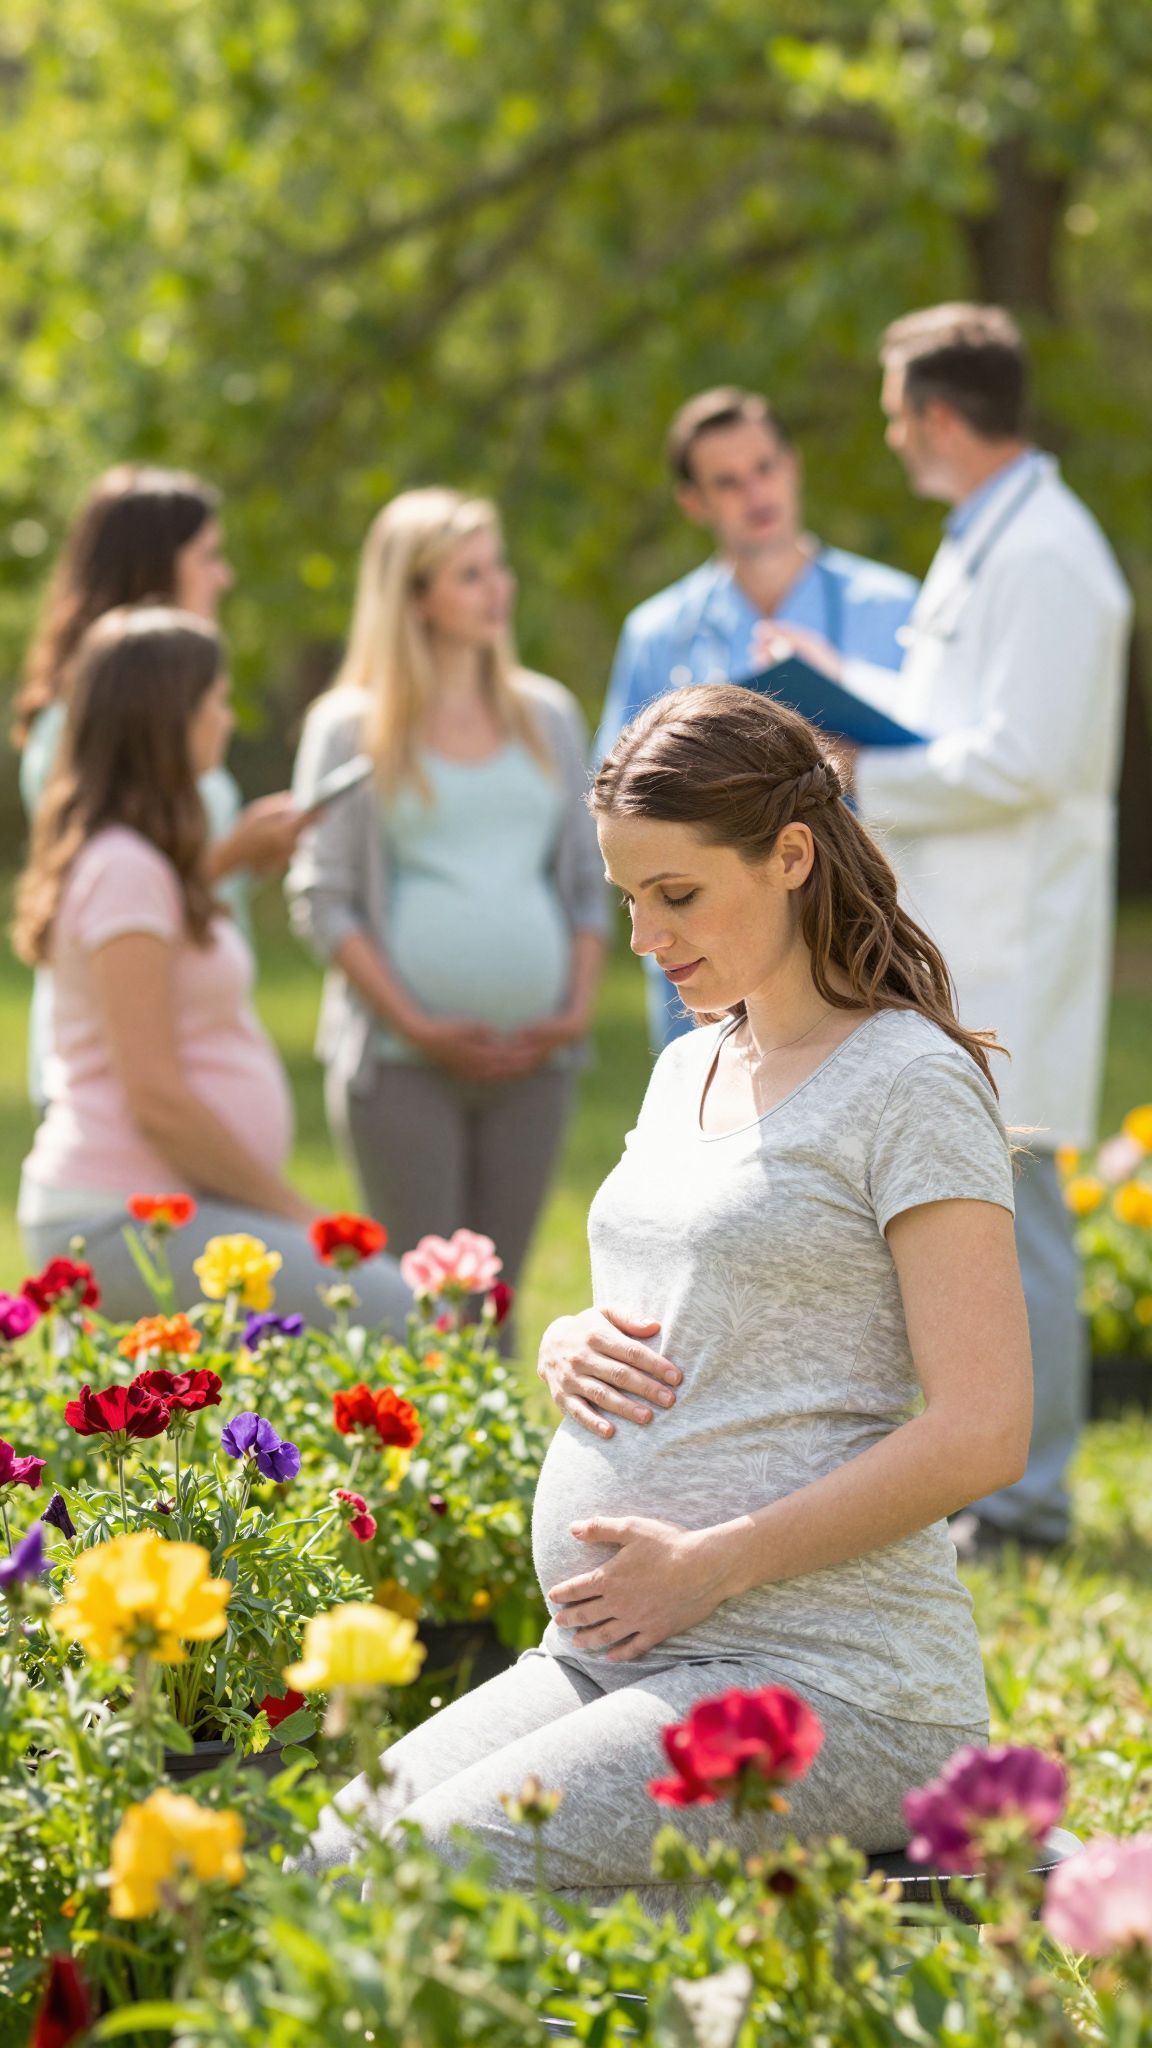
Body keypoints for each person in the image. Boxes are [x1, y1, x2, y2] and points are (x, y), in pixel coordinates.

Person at [304, 683, 1032, 1912]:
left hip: (831, 1673)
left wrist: (714, 1563)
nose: (644, 936)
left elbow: (985, 1428)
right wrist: (565, 1338)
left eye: (678, 893)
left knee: (422, 1884)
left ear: (791, 854)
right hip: (612, 1654)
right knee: (328, 1856)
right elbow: (684, 1302)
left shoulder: (908, 1082)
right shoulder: (688, 1062)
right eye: (628, 896)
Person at [776, 305, 1133, 1557]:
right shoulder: (984, 539)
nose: (889, 435)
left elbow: (1021, 757)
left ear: (937, 415)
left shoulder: (1047, 555)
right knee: (964, 1190)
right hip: (961, 915)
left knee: (1018, 1205)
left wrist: (862, 764)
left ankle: (1029, 1501)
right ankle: (979, 1475)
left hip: (1013, 927)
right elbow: (953, 715)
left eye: (895, 412)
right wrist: (841, 690)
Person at [12, 606, 412, 1331]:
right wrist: (297, 1213)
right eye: (217, 701)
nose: (227, 721)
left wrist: (233, 859)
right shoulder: (125, 870)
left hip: (162, 1204)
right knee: (390, 1309)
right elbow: (156, 1098)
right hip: (116, 1214)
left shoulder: (139, 863)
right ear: (170, 722)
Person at [286, 488, 609, 1299]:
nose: (498, 588)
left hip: (537, 1058)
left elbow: (588, 876)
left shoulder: (547, 715)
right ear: (415, 596)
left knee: (496, 1300)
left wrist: (574, 1012)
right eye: (470, 574)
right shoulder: (350, 725)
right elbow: (324, 897)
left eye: (498, 567)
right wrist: (418, 1025)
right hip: (402, 1066)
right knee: (420, 1304)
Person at [594, 387, 918, 1050]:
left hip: (849, 927)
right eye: (728, 482)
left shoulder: (894, 607)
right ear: (695, 502)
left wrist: (850, 761)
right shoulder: (658, 633)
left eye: (765, 468)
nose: (755, 493)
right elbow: (616, 796)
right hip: (704, 945)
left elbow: (943, 768)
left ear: (792, 467)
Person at [13, 465, 309, 1101]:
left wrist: (246, 853)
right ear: (152, 566)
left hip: (194, 1026)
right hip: (116, 1058)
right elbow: (100, 889)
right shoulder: (74, 722)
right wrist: (234, 854)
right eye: (208, 557)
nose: (224, 576)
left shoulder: (183, 706)